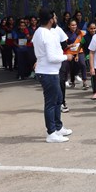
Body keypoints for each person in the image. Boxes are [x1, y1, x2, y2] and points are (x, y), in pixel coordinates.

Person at [32, 10, 74, 143]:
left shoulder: (40, 32)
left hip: (49, 71)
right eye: (55, 17)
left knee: (58, 99)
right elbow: (51, 57)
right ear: (51, 20)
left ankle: (58, 127)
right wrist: (66, 57)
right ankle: (51, 133)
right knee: (51, 102)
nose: (56, 19)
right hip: (48, 72)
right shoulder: (46, 34)